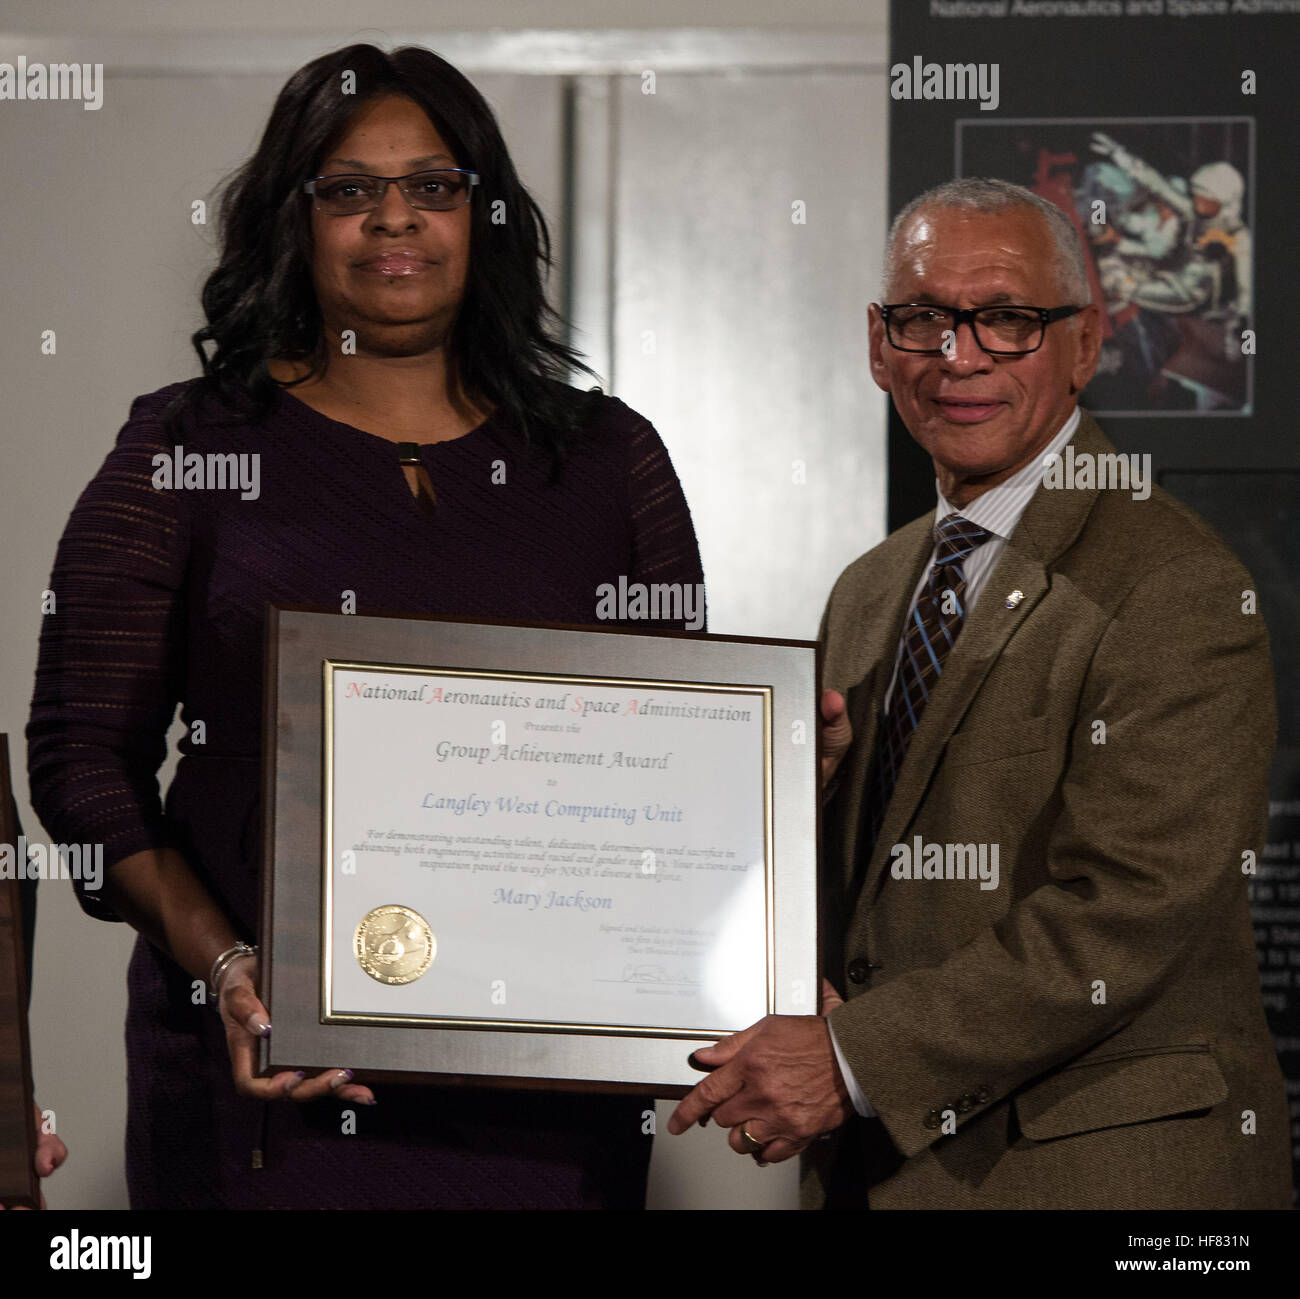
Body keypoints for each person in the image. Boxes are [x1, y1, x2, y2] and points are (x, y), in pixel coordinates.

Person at [27, 43, 702, 1209]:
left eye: (433, 186)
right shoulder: (185, 446)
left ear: (481, 213)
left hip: (545, 1083)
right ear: (294, 220)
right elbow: (82, 762)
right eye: (349, 190)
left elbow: (671, 764)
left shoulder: (608, 459)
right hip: (272, 1062)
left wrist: (787, 770)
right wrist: (230, 969)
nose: (395, 219)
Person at [668, 178, 1291, 1210]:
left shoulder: (1171, 581)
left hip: (1099, 1184)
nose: (956, 357)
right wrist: (798, 809)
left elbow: (1126, 912)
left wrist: (851, 1058)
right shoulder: (870, 588)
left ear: (1083, 346)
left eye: (1005, 320)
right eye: (922, 319)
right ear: (879, 344)